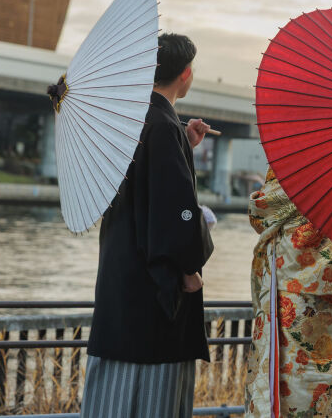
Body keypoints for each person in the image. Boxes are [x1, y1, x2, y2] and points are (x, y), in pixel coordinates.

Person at [81, 33, 215, 417]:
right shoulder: (163, 125)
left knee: (113, 398)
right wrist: (190, 264)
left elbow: (145, 188)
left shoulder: (128, 120)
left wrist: (183, 148)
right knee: (153, 399)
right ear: (185, 74)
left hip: (120, 276)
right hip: (153, 290)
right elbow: (179, 211)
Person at [244, 168, 332, 417]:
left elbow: (261, 212)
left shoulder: (302, 160)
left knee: (292, 368)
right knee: (331, 363)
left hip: (295, 280)